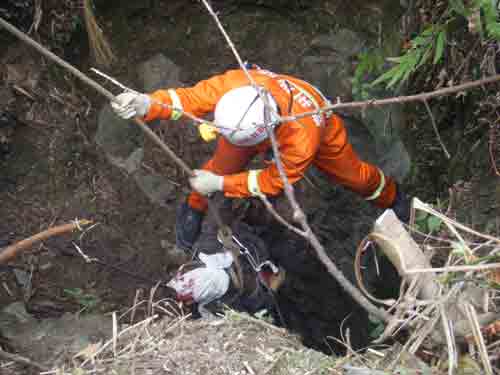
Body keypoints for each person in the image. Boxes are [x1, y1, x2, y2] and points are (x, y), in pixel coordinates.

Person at [111, 65, 411, 252]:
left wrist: (221, 184)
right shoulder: (237, 86)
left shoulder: (302, 138)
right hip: (250, 129)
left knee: (354, 175)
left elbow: (269, 182)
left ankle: (392, 197)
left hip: (321, 132)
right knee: (217, 167)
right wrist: (146, 103)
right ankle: (194, 208)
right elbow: (187, 99)